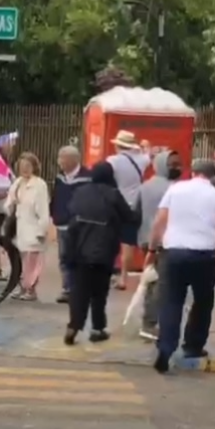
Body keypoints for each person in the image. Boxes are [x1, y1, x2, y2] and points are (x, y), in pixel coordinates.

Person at [148, 158, 215, 374]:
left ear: (193, 173)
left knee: (171, 302)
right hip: (204, 257)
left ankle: (166, 347)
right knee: (203, 302)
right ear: (214, 177)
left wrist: (151, 249)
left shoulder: (175, 190)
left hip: (173, 253)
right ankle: (193, 346)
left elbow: (160, 221)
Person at [63, 162, 136, 345]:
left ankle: (74, 325)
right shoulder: (113, 194)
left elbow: (69, 213)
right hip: (104, 250)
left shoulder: (80, 192)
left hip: (78, 249)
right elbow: (130, 217)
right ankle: (97, 328)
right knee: (99, 291)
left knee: (79, 290)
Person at [137, 149, 183, 340]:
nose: (177, 168)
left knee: (151, 281)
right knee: (161, 285)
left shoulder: (144, 186)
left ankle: (149, 321)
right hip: (164, 242)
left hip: (146, 239)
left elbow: (135, 211)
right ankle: (150, 324)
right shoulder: (174, 189)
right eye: (173, 164)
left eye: (178, 164)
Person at [108, 130, 152, 290]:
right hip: (135, 205)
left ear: (118, 145)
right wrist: (143, 146)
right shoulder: (141, 160)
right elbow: (148, 150)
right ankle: (124, 278)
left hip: (117, 204)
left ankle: (110, 274)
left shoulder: (112, 161)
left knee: (112, 242)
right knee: (128, 244)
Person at [5, 153, 51, 301]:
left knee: (33, 260)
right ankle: (22, 286)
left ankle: (31, 289)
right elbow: (8, 203)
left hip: (34, 227)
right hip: (20, 226)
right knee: (21, 259)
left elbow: (43, 210)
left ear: (34, 167)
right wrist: (11, 204)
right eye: (22, 166)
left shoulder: (39, 185)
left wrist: (41, 230)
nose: (25, 169)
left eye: (28, 166)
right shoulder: (17, 183)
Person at [50, 145, 90, 303]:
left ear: (73, 160)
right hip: (62, 224)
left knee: (80, 258)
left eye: (62, 158)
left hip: (79, 225)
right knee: (64, 257)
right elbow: (56, 198)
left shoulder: (87, 177)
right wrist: (54, 215)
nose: (59, 162)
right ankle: (67, 289)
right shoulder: (60, 178)